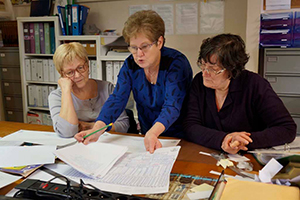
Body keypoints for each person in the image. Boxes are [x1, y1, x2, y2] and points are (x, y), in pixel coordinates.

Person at [75, 10, 193, 153]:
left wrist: (153, 132)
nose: (139, 54)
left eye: (144, 46)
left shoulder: (176, 64)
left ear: (159, 42)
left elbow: (172, 106)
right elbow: (117, 99)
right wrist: (97, 129)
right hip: (147, 134)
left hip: (179, 137)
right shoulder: (130, 64)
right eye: (134, 47)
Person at [183, 33, 296, 154]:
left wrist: (242, 141)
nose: (205, 74)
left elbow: (286, 129)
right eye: (203, 65)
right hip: (210, 154)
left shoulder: (255, 84)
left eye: (213, 69)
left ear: (232, 70)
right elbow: (190, 126)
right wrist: (224, 139)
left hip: (248, 158)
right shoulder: (199, 82)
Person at [49, 42, 130, 138]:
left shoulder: (107, 88)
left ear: (87, 65)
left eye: (80, 67)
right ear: (62, 74)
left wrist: (91, 126)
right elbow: (67, 132)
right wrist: (66, 91)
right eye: (70, 72)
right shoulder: (57, 96)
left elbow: (124, 125)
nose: (78, 75)